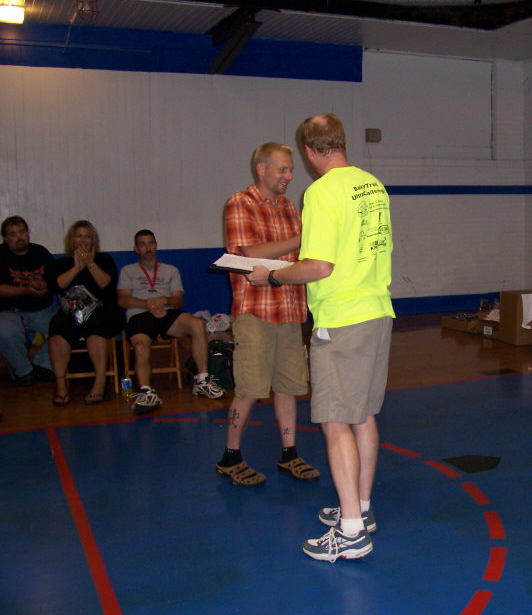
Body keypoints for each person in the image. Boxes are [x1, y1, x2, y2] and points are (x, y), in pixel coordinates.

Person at [249, 114, 394, 562]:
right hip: (377, 311)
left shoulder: (321, 191)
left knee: (335, 422)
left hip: (343, 319)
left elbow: (319, 266)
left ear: (310, 152)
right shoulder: (373, 185)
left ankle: (351, 533)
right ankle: (361, 510)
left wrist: (272, 277)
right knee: (362, 416)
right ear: (341, 142)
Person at [215, 142, 319, 487]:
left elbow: (302, 258)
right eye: (283, 169)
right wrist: (300, 239)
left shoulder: (289, 208)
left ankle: (289, 454)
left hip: (289, 309)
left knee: (288, 385)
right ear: (262, 169)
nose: (289, 176)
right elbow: (250, 253)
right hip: (255, 312)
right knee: (250, 387)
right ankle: (230, 457)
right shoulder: (240, 203)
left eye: (291, 170)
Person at [117, 229, 225, 414]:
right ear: (136, 249)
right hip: (140, 314)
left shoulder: (170, 270)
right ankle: (146, 391)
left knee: (197, 324)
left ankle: (202, 380)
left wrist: (164, 301)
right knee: (141, 346)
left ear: (156, 245)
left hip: (166, 312)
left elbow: (178, 300)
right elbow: (123, 300)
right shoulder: (128, 271)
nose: (148, 248)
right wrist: (148, 304)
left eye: (151, 243)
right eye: (142, 244)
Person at [48, 220, 125, 406]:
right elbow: (57, 286)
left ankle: (100, 382)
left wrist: (90, 263)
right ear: (72, 239)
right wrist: (76, 268)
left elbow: (107, 286)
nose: (83, 240)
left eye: (87, 236)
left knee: (96, 327)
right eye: (79, 236)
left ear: (93, 240)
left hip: (101, 310)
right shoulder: (62, 263)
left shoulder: (104, 260)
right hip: (72, 311)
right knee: (57, 328)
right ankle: (61, 385)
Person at [0, 216, 57, 385]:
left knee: (71, 319)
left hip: (42, 311)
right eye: (13, 234)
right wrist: (27, 290)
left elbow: (54, 283)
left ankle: (43, 365)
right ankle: (24, 372)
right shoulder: (0, 255)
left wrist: (43, 286)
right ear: (5, 238)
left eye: (22, 232)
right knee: (4, 329)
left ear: (28, 233)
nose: (19, 237)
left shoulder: (41, 252)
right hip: (9, 312)